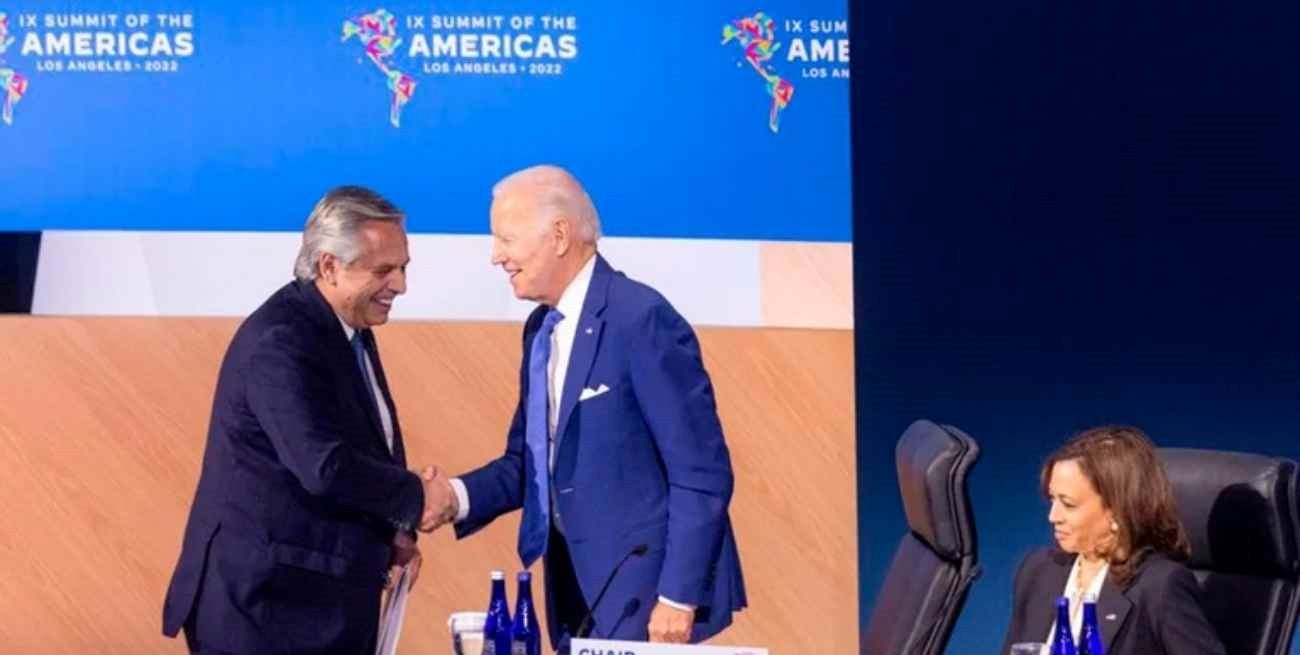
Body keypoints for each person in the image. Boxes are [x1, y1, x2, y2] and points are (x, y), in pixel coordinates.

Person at [425, 165, 746, 649]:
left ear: (559, 235)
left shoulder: (641, 319)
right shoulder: (540, 329)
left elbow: (701, 471)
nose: (496, 256)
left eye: (506, 239)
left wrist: (678, 599)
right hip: (574, 592)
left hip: (645, 599)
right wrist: (453, 496)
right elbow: (530, 463)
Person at [161, 186, 457, 654]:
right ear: (329, 266)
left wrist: (393, 529)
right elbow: (323, 465)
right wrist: (415, 497)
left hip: (314, 603)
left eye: (403, 268)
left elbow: (360, 445)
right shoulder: (281, 340)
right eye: (383, 270)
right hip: (265, 612)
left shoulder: (344, 326)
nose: (400, 285)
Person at [1001, 426, 1226, 655]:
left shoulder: (1159, 587)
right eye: (1052, 500)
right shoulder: (1038, 570)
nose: (1053, 516)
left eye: (1068, 504)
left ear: (1117, 510)